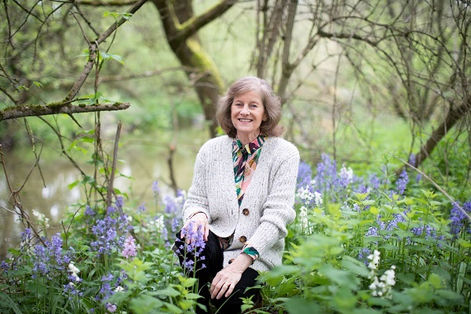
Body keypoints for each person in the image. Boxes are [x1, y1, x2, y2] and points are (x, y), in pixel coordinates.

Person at [174, 76, 299, 313]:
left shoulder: (285, 154)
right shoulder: (210, 150)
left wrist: (237, 266)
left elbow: (277, 217)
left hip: (255, 257)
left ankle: (229, 293)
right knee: (189, 237)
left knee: (228, 303)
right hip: (215, 248)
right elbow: (195, 201)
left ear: (265, 113)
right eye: (238, 104)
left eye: (253, 105)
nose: (244, 111)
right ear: (229, 108)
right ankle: (198, 304)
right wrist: (198, 215)